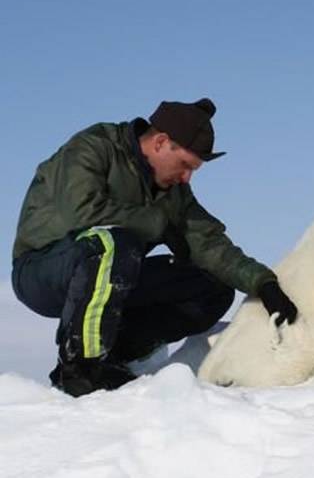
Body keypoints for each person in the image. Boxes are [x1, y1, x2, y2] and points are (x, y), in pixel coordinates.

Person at [11, 97, 297, 397]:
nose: (187, 177)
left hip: (113, 271)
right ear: (160, 142)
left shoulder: (173, 192)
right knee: (113, 241)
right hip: (43, 270)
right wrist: (158, 224)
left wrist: (264, 284)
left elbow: (210, 244)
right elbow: (82, 213)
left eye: (194, 170)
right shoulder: (95, 147)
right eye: (186, 165)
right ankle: (80, 368)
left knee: (213, 285)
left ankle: (120, 356)